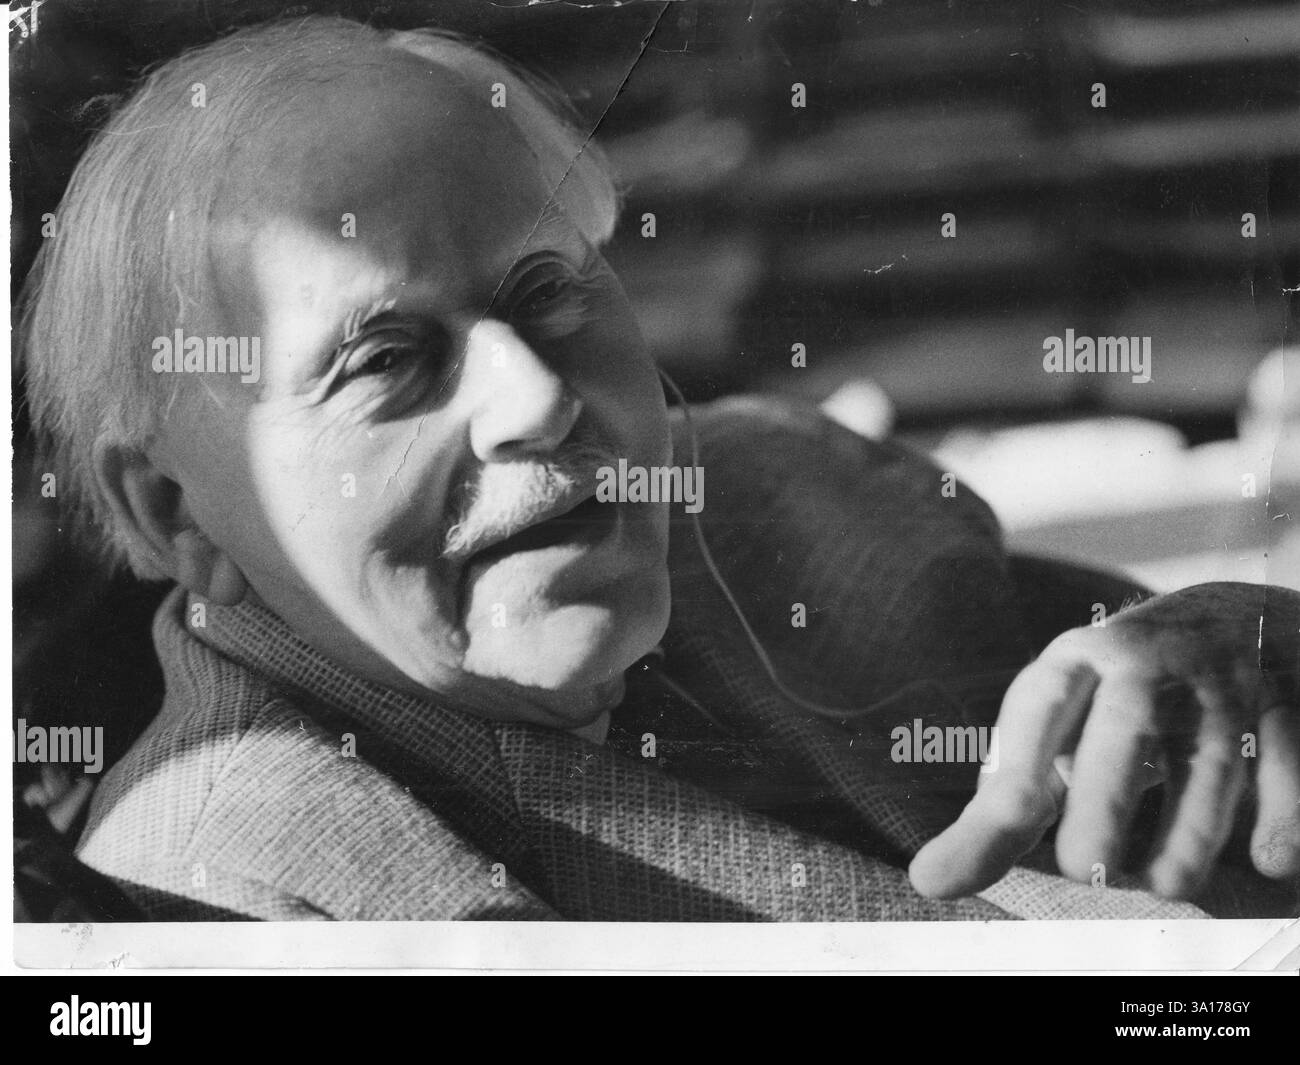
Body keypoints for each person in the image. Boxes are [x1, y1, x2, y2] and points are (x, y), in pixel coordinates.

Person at [19, 16, 1299, 921]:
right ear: (172, 512)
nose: (534, 397)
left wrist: (1255, 639)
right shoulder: (228, 898)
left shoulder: (767, 496)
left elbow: (1171, 698)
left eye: (543, 289)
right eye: (386, 358)